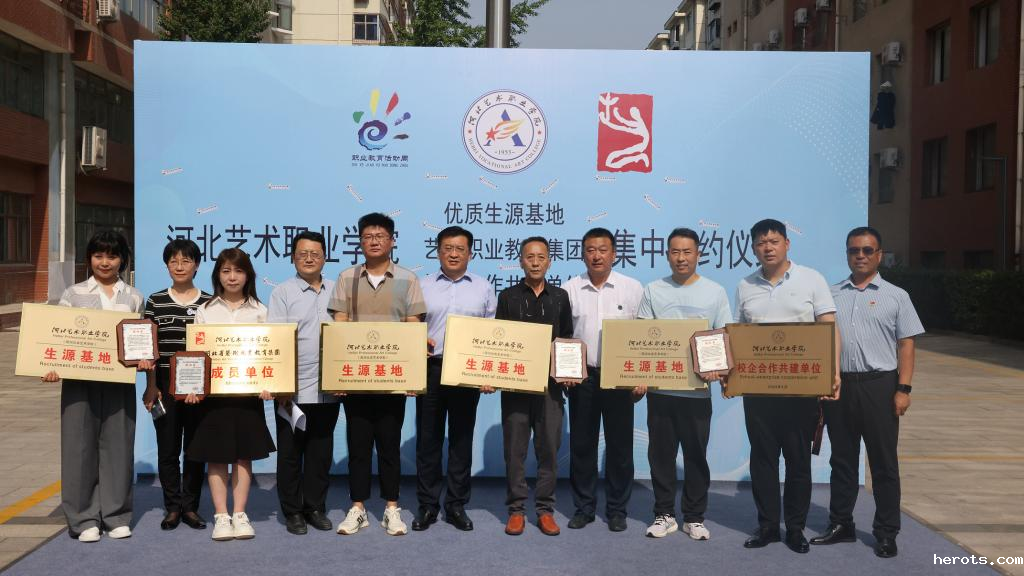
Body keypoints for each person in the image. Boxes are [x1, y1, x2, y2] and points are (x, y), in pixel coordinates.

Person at [810, 226, 923, 558]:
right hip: (840, 386)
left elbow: (906, 345)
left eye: (867, 250)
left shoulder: (897, 296)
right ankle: (841, 524)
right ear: (847, 254)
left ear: (879, 255)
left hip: (880, 385)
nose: (860, 256)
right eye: (853, 250)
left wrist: (903, 389)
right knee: (842, 460)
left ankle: (886, 532)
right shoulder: (830, 295)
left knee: (884, 463)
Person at [732, 219, 841, 554]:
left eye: (774, 241)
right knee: (762, 461)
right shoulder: (745, 285)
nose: (768, 247)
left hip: (800, 389)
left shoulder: (812, 279)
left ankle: (795, 529)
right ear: (753, 248)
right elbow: (737, 335)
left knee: (798, 461)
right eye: (761, 243)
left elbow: (829, 328)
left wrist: (833, 372)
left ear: (787, 244)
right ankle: (767, 527)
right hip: (758, 390)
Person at [42, 230, 144, 543]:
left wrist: (143, 358)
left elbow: (139, 340)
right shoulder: (72, 294)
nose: (105, 262)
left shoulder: (133, 297)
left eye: (112, 256)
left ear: (123, 260)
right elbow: (56, 337)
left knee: (119, 447)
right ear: (89, 259)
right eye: (98, 255)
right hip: (79, 383)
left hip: (118, 382)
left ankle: (116, 515)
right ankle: (83, 517)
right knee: (78, 447)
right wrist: (50, 366)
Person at [328, 212, 426, 537]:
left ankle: (391, 508)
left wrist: (413, 376)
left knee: (389, 445)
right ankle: (357, 508)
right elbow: (340, 325)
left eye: (380, 236)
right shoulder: (346, 277)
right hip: (356, 380)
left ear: (392, 241)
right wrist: (338, 376)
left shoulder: (408, 279)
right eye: (368, 236)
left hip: (392, 380)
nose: (374, 241)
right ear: (360, 241)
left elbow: (413, 327)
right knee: (357, 446)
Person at [638, 228, 732, 540]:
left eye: (687, 252)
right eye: (675, 252)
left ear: (698, 254)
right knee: (660, 456)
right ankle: (664, 514)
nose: (681, 258)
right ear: (667, 255)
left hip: (697, 392)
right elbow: (641, 336)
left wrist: (717, 369)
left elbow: (724, 335)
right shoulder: (653, 290)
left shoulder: (715, 292)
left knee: (695, 456)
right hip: (660, 390)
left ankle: (694, 516)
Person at [188, 248, 277, 541]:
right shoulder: (205, 310)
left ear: (248, 275)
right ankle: (221, 516)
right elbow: (196, 354)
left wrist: (270, 383)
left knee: (242, 456)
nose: (232, 277)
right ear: (218, 275)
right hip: (215, 398)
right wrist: (193, 386)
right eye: (226, 271)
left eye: (238, 271)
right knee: (216, 457)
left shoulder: (260, 311)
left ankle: (239, 513)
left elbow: (270, 354)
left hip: (248, 396)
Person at [413, 226, 496, 532]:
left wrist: (487, 373)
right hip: (431, 368)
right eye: (447, 248)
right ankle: (427, 505)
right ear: (437, 251)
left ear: (470, 253)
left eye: (460, 249)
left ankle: (456, 505)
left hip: (467, 370)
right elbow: (411, 326)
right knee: (428, 439)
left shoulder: (484, 288)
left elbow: (491, 334)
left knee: (461, 439)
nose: (453, 254)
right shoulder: (422, 285)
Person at [562, 227, 643, 533]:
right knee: (582, 445)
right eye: (590, 250)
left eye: (602, 249)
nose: (596, 255)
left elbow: (641, 337)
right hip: (582, 377)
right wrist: (565, 372)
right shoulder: (570, 289)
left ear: (614, 254)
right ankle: (583, 508)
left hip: (619, 377)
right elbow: (564, 336)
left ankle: (617, 510)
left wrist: (640, 377)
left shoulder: (632, 288)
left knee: (620, 446)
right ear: (583, 254)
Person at [497, 236, 573, 536]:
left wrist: (569, 369)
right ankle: (516, 510)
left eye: (541, 257)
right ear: (521, 261)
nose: (535, 262)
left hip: (550, 388)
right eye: (530, 257)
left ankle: (545, 510)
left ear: (549, 262)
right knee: (514, 451)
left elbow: (567, 338)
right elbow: (497, 340)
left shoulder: (560, 297)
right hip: (515, 387)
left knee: (549, 450)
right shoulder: (508, 297)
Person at [267, 231, 339, 535]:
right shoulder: (282, 292)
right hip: (292, 389)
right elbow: (277, 340)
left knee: (321, 453)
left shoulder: (338, 290)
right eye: (302, 253)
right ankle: (293, 511)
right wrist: (281, 385)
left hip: (330, 387)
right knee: (290, 453)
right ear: (293, 257)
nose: (309, 258)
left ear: (325, 257)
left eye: (315, 253)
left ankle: (315, 507)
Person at [139, 239, 212, 532]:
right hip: (165, 387)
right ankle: (172, 508)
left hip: (198, 389)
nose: (180, 266)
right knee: (167, 450)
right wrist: (151, 386)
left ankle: (191, 507)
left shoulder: (209, 302)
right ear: (167, 265)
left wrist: (203, 387)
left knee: (195, 449)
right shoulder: (155, 301)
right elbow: (148, 348)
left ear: (197, 265)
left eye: (186, 261)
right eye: (173, 261)